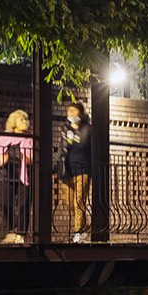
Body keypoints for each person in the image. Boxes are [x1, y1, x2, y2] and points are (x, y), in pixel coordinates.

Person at [0, 109, 35, 243]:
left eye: (26, 120)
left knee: (24, 205)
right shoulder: (5, 136)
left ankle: (21, 233)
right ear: (14, 122)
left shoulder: (30, 137)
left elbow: (33, 157)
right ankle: (12, 229)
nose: (25, 122)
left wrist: (28, 158)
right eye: (22, 119)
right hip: (6, 174)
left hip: (23, 175)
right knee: (4, 203)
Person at [60, 103, 93, 242]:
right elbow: (62, 149)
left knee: (79, 201)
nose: (71, 114)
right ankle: (85, 225)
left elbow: (85, 145)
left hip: (83, 169)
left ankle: (77, 232)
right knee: (69, 202)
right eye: (69, 111)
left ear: (80, 113)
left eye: (74, 111)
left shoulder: (87, 129)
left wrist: (74, 132)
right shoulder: (65, 128)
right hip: (67, 171)